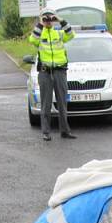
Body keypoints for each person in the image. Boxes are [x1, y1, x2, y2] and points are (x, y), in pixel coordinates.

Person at [30, 8, 76, 141]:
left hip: (60, 71)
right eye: (45, 19)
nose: (48, 21)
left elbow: (71, 34)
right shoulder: (40, 34)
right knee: (46, 103)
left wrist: (60, 20)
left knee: (62, 102)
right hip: (45, 72)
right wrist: (40, 24)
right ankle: (46, 132)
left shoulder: (59, 34)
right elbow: (32, 40)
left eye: (50, 19)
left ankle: (65, 131)